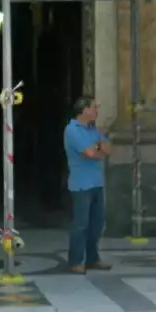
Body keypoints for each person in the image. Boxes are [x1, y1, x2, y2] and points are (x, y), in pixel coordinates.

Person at [63, 96, 113, 274]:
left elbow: (108, 149)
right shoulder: (72, 129)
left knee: (97, 224)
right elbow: (90, 153)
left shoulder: (93, 130)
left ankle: (93, 259)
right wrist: (98, 148)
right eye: (94, 107)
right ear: (84, 110)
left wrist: (97, 148)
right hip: (81, 185)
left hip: (97, 182)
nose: (97, 111)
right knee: (81, 224)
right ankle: (75, 261)